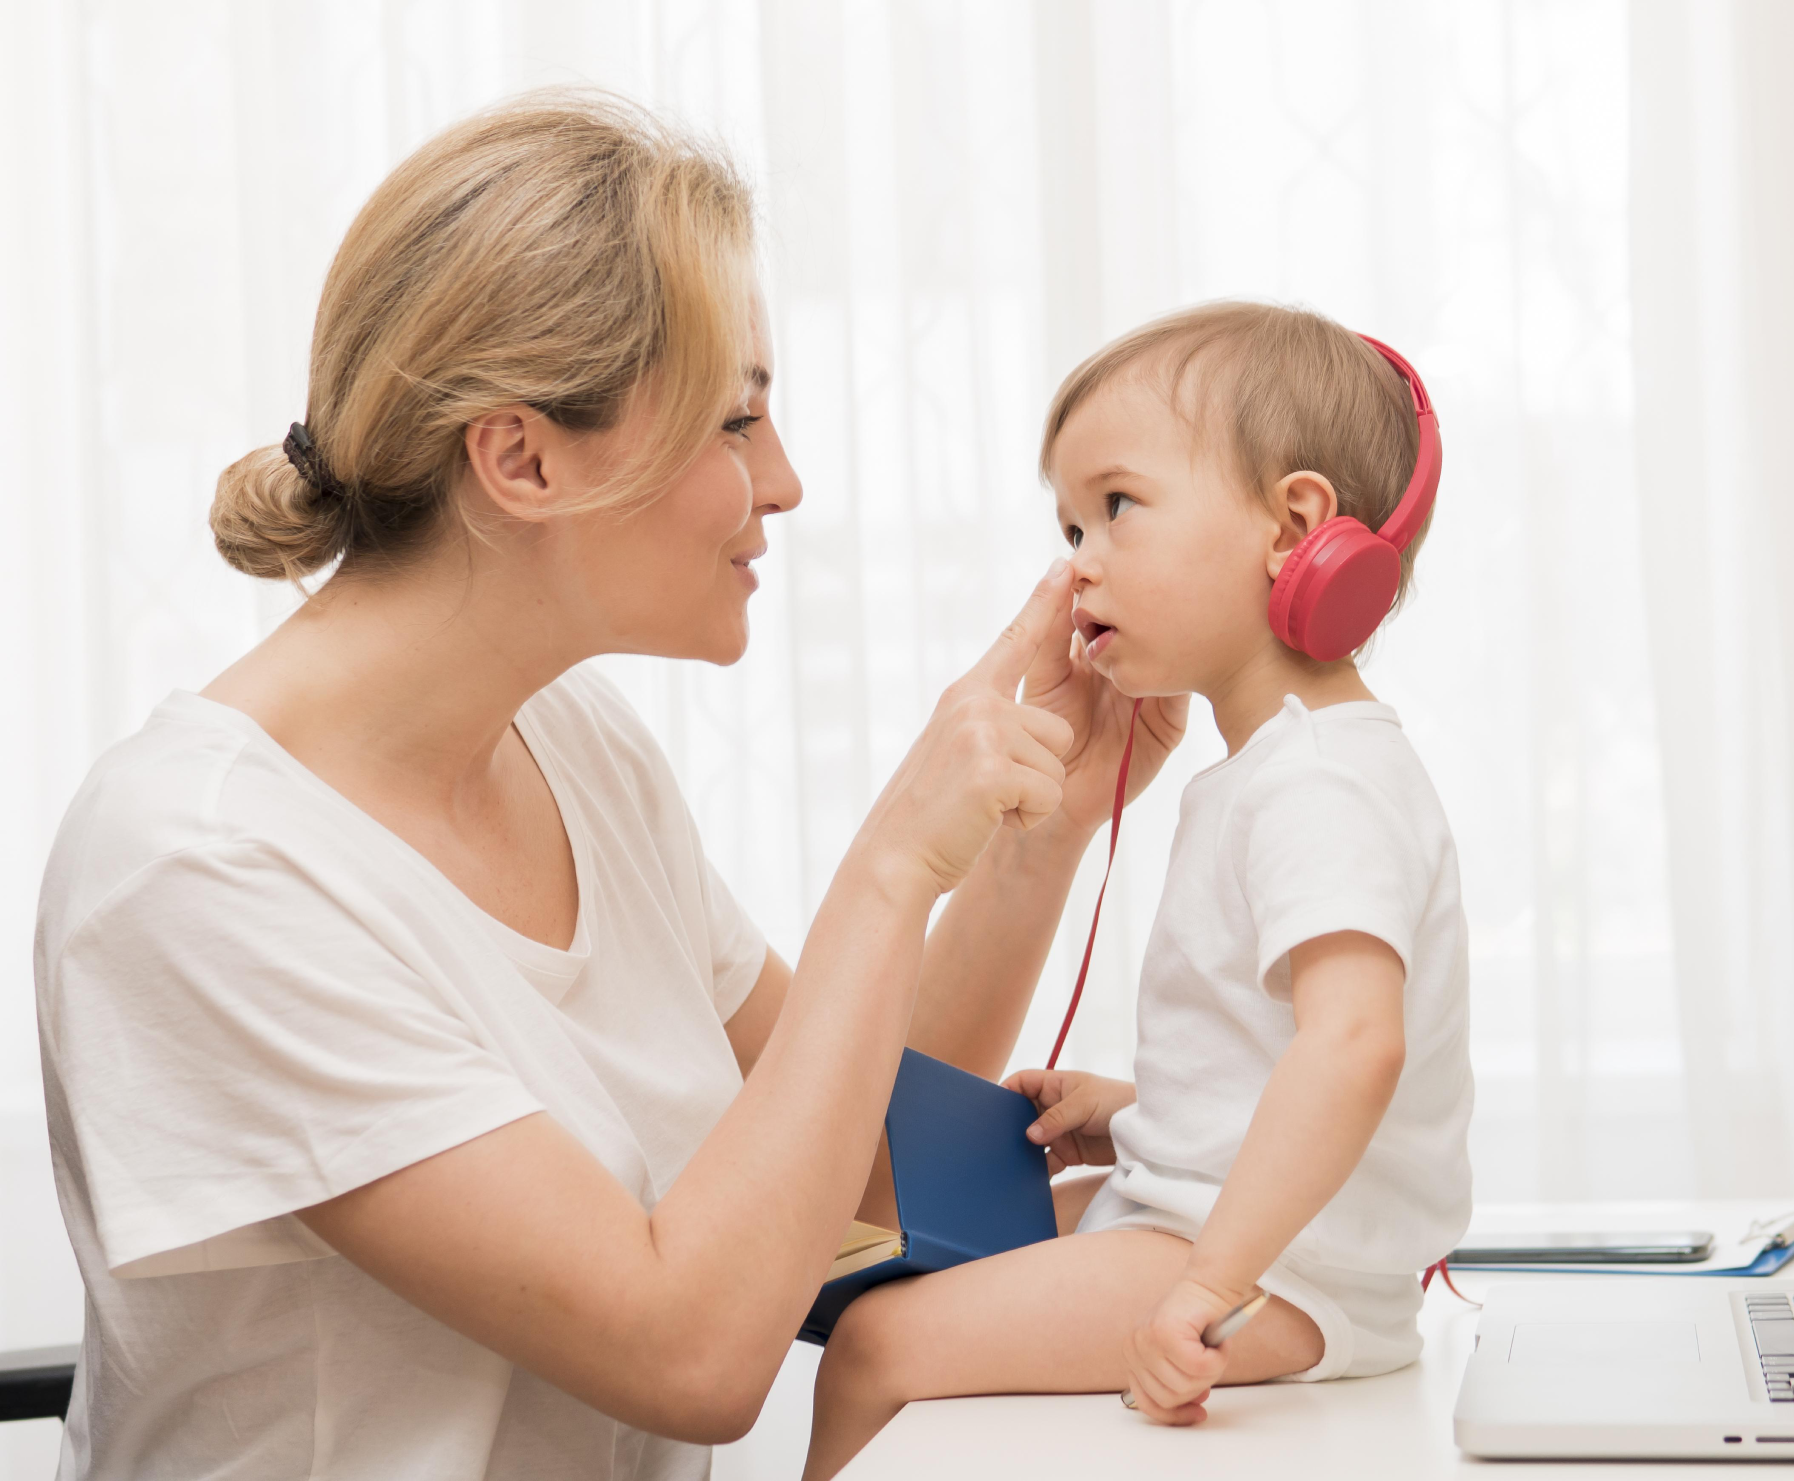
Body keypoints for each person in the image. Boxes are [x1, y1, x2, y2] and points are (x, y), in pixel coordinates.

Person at [32, 91, 1187, 1481]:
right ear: (522, 457)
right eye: (735, 421)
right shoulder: (199, 867)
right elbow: (688, 1354)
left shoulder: (573, 745)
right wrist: (892, 865)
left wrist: (1033, 829)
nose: (788, 481)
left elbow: (867, 1169)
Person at [804, 302, 1474, 1476]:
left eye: (1117, 505)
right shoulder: (1282, 766)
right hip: (1236, 1235)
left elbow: (1359, 1044)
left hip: (1273, 1267)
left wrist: (1210, 1284)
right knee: (887, 1256)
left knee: (873, 1339)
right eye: (1068, 524)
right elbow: (1285, 1045)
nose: (1080, 561)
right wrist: (1140, 1110)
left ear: (1296, 524)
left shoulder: (1317, 781)